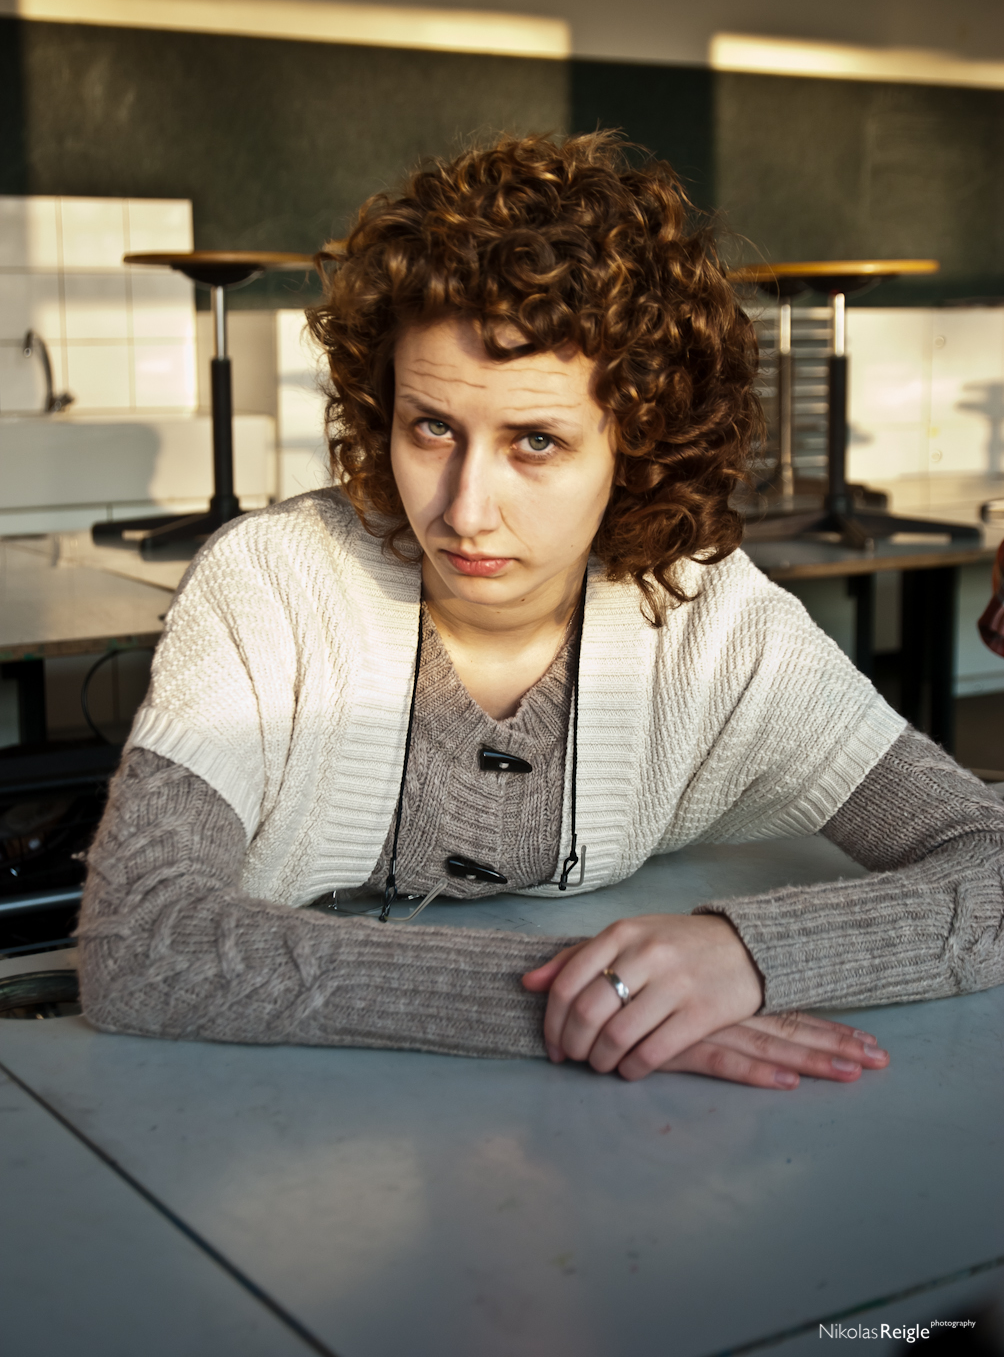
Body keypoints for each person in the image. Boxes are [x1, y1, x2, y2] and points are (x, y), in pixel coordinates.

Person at [78, 133, 1004, 1090]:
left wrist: (743, 956)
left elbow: (993, 859)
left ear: (638, 445)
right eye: (432, 427)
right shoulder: (273, 587)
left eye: (535, 442)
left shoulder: (713, 626)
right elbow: (139, 938)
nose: (465, 508)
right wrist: (593, 1005)